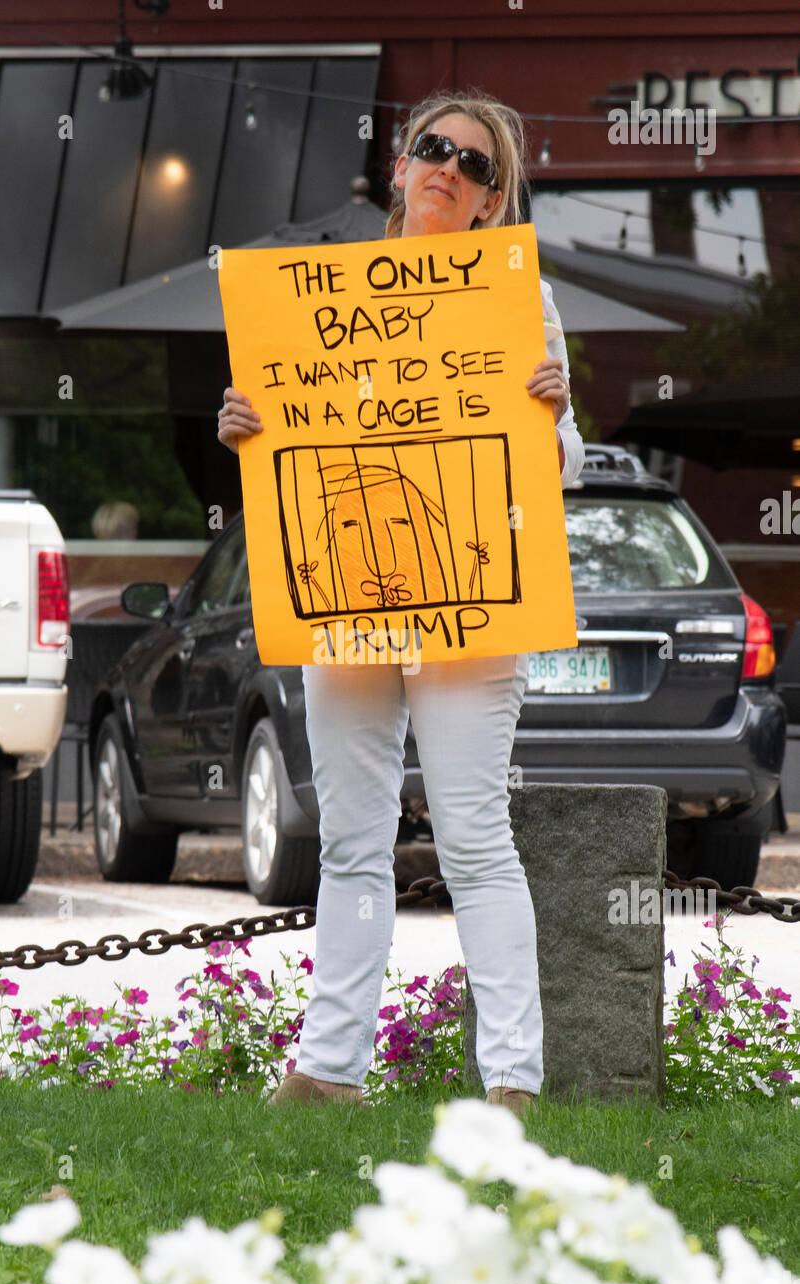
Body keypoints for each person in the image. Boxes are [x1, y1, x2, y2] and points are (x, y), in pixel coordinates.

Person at [217, 89, 586, 1115]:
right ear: (398, 165)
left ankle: (510, 1077)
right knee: (347, 835)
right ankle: (329, 1070)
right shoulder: (311, 299)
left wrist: (552, 420)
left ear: (492, 198)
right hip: (345, 595)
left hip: (469, 601)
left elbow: (560, 463)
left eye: (475, 164)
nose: (448, 168)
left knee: (471, 835)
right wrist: (244, 423)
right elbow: (286, 441)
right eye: (434, 148)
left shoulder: (521, 302)